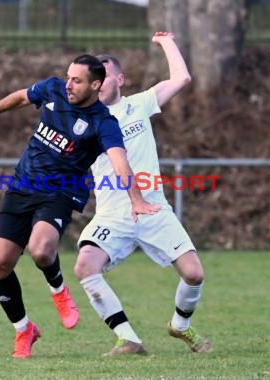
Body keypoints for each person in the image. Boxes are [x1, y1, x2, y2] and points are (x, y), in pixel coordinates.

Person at [0, 54, 161, 359]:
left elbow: (121, 162)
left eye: (77, 80)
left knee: (41, 249)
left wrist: (137, 199)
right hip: (22, 185)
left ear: (96, 85)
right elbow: (22, 96)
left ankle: (59, 291)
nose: (68, 84)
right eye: (68, 77)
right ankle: (24, 330)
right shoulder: (53, 89)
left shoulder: (103, 123)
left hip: (61, 192)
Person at [74, 32, 213, 355]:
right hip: (113, 213)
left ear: (120, 79)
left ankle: (180, 326)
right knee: (85, 266)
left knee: (194, 274)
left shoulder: (140, 104)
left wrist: (166, 42)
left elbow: (182, 78)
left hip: (152, 208)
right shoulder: (83, 122)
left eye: (104, 76)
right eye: (93, 79)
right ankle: (128, 339)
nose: (97, 84)